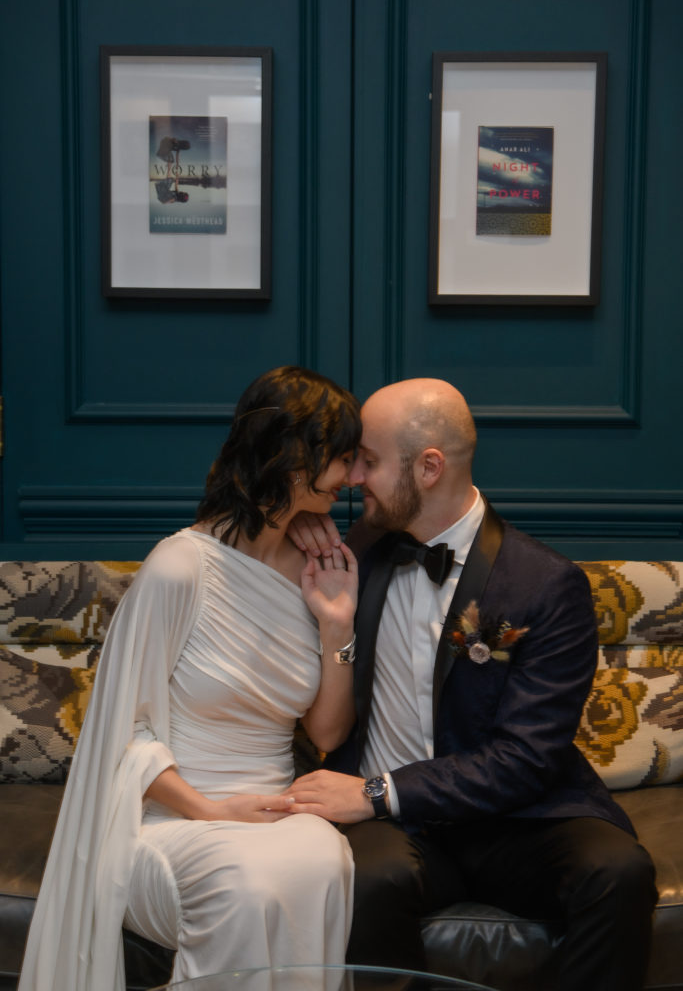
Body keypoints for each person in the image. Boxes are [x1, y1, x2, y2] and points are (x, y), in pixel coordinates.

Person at [286, 377, 658, 991]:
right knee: (370, 879)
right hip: (395, 835)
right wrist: (293, 527)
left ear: (428, 467)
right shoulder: (355, 552)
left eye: (370, 462)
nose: (353, 478)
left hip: (515, 819)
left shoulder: (544, 585)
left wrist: (377, 792)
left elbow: (526, 758)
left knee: (619, 873)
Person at [18, 366, 362, 991]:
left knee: (324, 857)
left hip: (272, 810)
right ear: (294, 462)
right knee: (244, 882)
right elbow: (124, 736)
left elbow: (328, 733)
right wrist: (210, 810)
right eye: (343, 459)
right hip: (171, 821)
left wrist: (338, 626)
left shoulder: (316, 570)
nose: (355, 477)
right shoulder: (179, 568)